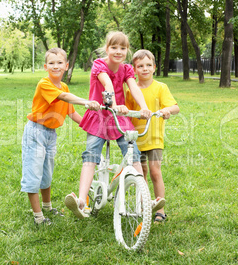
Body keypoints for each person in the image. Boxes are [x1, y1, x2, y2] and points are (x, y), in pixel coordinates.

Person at [64, 31, 165, 219]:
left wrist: (144, 108)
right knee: (91, 156)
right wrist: (114, 104)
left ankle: (145, 201)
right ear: (107, 48)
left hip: (118, 117)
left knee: (134, 154)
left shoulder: (127, 69)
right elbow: (107, 82)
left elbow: (133, 87)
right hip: (100, 115)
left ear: (127, 50)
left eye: (123, 48)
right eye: (114, 47)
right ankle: (81, 200)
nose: (118, 51)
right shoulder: (99, 64)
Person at [21, 48, 100, 225]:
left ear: (66, 66)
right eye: (51, 63)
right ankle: (38, 217)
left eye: (59, 63)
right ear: (45, 66)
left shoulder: (64, 86)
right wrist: (86, 101)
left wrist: (91, 128)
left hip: (50, 134)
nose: (55, 66)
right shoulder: (44, 84)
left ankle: (48, 207)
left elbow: (71, 112)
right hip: (36, 132)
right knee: (34, 173)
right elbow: (64, 97)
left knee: (46, 172)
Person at [125, 49, 180, 223]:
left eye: (148, 65)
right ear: (134, 70)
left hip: (154, 138)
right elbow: (127, 112)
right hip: (137, 139)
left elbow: (175, 107)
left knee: (155, 172)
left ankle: (160, 209)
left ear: (154, 67)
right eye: (140, 66)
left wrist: (166, 110)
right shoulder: (131, 90)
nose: (145, 69)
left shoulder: (160, 87)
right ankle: (145, 204)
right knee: (142, 174)